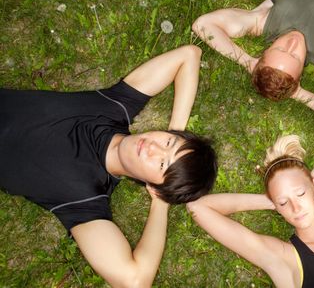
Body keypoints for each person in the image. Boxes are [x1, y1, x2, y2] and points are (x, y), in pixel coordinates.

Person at [0, 45, 218, 287]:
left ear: (155, 185)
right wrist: (176, 132)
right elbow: (189, 55)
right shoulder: (114, 107)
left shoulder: (85, 201)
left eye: (162, 163)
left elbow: (136, 280)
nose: (153, 148)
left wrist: (161, 202)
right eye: (167, 141)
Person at [187, 128, 314, 287]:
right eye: (283, 203)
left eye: (301, 193)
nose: (295, 207)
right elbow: (198, 208)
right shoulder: (284, 259)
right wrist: (270, 201)